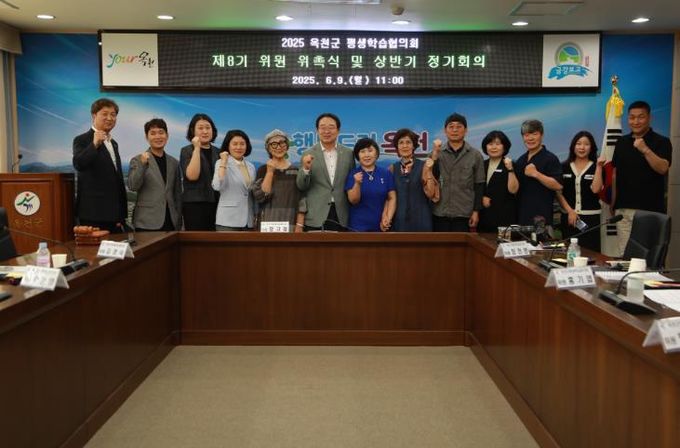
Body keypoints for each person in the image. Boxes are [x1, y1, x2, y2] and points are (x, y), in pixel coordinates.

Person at [612, 100, 672, 255]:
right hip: (624, 210)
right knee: (626, 258)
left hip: (650, 211)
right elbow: (615, 174)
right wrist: (614, 203)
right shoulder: (621, 142)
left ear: (649, 118)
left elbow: (663, 168)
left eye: (641, 117)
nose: (636, 121)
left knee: (648, 258)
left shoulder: (662, 141)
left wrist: (645, 149)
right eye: (632, 117)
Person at [72, 98, 127, 233]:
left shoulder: (113, 143)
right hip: (93, 214)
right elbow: (78, 164)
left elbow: (116, 179)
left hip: (114, 215)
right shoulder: (82, 139)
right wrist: (94, 144)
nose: (109, 118)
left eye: (113, 115)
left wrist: (121, 214)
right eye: (105, 114)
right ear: (94, 115)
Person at [296, 113, 355, 231]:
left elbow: (351, 183)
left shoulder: (348, 154)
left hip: (342, 213)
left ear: (338, 130)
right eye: (322, 127)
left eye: (331, 127)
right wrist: (306, 169)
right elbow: (301, 186)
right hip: (316, 214)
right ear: (317, 131)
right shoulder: (308, 154)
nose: (327, 131)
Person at [431, 113, 485, 232]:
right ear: (445, 130)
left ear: (466, 130)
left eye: (459, 126)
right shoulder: (437, 153)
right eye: (451, 126)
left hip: (464, 213)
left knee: (461, 244)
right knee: (440, 244)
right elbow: (431, 179)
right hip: (440, 212)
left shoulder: (475, 155)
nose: (455, 130)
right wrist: (434, 156)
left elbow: (479, 185)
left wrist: (476, 211)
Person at [127, 118, 182, 231]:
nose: (158, 136)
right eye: (153, 133)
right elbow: (133, 186)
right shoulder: (137, 160)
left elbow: (177, 194)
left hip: (171, 221)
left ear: (167, 136)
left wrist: (178, 219)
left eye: (161, 132)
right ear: (146, 137)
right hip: (146, 221)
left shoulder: (174, 162)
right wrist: (143, 164)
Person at [556, 131, 604, 252]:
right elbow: (558, 193)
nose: (582, 147)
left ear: (591, 147)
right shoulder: (563, 166)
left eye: (586, 144)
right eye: (578, 144)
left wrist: (599, 167)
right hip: (569, 218)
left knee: (591, 254)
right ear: (573, 146)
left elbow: (596, 189)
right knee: (569, 253)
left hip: (591, 219)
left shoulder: (597, 166)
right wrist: (570, 211)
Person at [252, 129, 304, 232]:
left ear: (287, 146)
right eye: (274, 144)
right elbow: (260, 197)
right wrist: (270, 172)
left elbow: (302, 199)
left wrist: (299, 224)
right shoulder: (263, 170)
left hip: (291, 222)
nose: (279, 147)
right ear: (268, 148)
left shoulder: (296, 170)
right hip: (267, 224)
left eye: (282, 143)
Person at [514, 119, 562, 227]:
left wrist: (536, 174)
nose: (530, 138)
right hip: (521, 217)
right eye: (526, 135)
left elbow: (558, 185)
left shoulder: (550, 158)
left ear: (542, 135)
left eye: (534, 134)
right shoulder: (521, 160)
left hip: (542, 219)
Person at [389, 128, 439, 232]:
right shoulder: (392, 168)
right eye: (401, 143)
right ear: (397, 147)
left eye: (408, 142)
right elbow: (389, 197)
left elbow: (431, 194)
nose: (405, 146)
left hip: (421, 219)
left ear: (414, 145)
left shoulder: (424, 166)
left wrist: (429, 171)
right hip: (399, 220)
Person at [345, 138, 396, 231]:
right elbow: (353, 200)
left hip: (381, 226)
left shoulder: (385, 173)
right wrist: (357, 183)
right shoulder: (353, 174)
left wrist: (388, 218)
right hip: (358, 227)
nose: (366, 155)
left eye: (370, 150)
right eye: (362, 151)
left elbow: (391, 198)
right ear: (358, 156)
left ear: (376, 154)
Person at [179, 113, 220, 231]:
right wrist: (197, 148)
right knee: (197, 240)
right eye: (200, 128)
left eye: (208, 127)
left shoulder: (219, 152)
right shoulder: (186, 150)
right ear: (193, 131)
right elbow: (192, 176)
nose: (205, 131)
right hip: (194, 206)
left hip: (217, 204)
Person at [212, 129, 256, 231]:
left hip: (248, 220)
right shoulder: (221, 163)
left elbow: (251, 193)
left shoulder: (251, 166)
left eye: (242, 144)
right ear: (228, 146)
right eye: (235, 144)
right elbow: (217, 186)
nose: (238, 147)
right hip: (228, 220)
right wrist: (224, 162)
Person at [477, 130, 518, 233]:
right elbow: (475, 187)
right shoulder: (481, 165)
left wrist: (510, 170)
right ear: (485, 147)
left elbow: (513, 190)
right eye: (490, 144)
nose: (493, 147)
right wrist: (481, 197)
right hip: (484, 218)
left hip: (505, 217)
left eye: (498, 144)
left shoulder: (511, 165)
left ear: (504, 147)